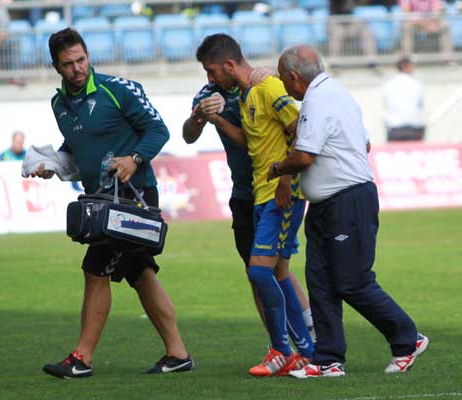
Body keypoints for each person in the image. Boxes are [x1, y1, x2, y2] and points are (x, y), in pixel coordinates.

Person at [31, 27, 193, 379]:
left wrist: (134, 158)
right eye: (68, 64)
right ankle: (178, 353)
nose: (77, 68)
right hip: (100, 200)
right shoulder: (59, 104)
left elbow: (158, 130)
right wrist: (55, 165)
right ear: (56, 67)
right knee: (139, 272)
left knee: (95, 269)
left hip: (131, 200)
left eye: (81, 60)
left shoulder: (119, 89)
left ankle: (82, 358)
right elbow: (75, 147)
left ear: (88, 55)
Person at [267, 45, 429, 378]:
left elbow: (304, 157)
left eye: (282, 78)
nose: (283, 85)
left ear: (294, 77)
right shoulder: (338, 93)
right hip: (330, 202)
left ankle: (407, 338)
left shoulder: (316, 101)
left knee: (352, 281)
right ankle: (328, 360)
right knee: (321, 282)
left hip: (347, 200)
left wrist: (279, 168)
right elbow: (364, 143)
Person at [194, 33, 315, 377]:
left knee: (260, 271)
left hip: (279, 193)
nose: (210, 79)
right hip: (259, 194)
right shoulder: (249, 94)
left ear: (229, 65)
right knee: (275, 272)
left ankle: (286, 349)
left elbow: (299, 128)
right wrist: (215, 120)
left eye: (212, 71)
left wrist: (287, 178)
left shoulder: (269, 87)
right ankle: (304, 350)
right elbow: (249, 141)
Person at [382, 57, 425, 141]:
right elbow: (420, 105)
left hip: (394, 128)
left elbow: (386, 104)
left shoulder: (388, 84)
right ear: (407, 67)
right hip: (414, 128)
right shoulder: (417, 84)